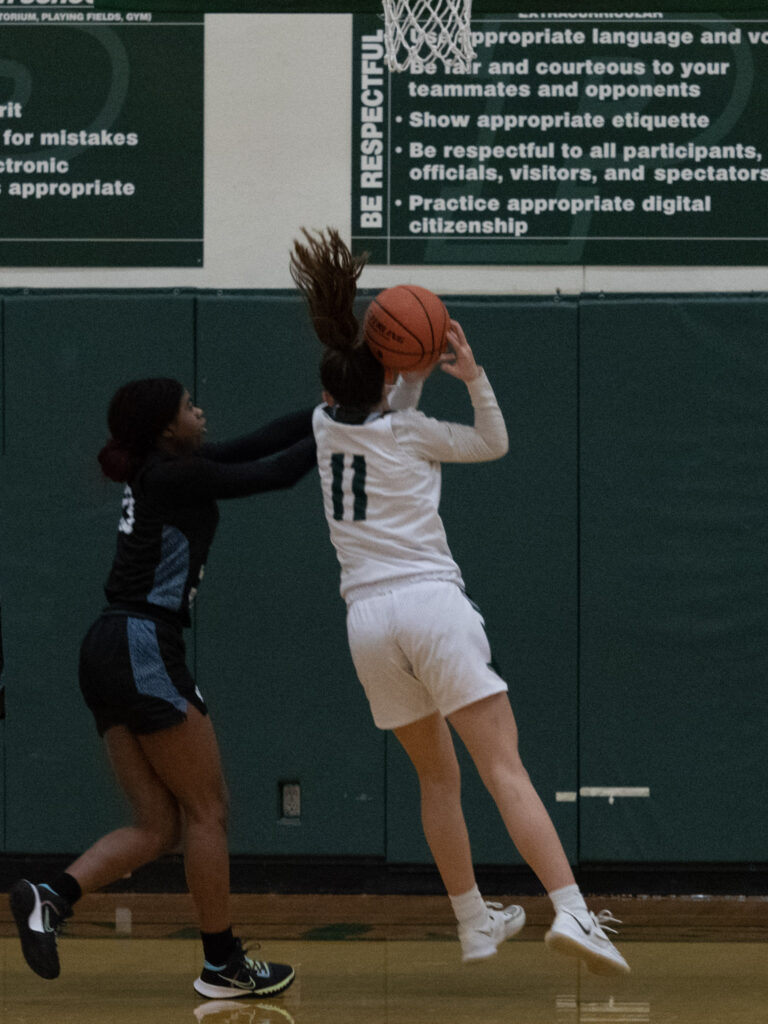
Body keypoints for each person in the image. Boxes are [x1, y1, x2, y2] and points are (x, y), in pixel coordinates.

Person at [290, 228, 630, 976]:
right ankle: (573, 910)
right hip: (429, 604)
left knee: (436, 778)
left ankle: (474, 922)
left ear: (328, 392)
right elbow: (492, 441)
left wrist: (396, 368)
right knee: (503, 768)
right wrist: (470, 373)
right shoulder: (410, 433)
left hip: (367, 624)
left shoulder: (321, 428)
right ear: (387, 380)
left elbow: (376, 397)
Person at [9, 377, 316, 998]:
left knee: (158, 826)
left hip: (110, 645)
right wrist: (351, 429)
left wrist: (331, 410)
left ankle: (50, 896)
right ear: (164, 428)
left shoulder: (170, 467)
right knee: (209, 809)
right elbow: (275, 473)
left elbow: (259, 442)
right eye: (187, 406)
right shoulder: (172, 478)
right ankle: (223, 963)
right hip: (141, 642)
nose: (200, 411)